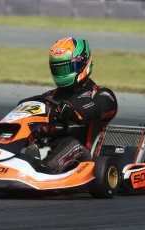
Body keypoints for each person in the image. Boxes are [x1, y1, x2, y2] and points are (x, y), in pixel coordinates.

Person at [39, 37, 118, 173]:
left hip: (83, 155)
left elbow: (97, 109)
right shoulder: (49, 97)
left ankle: (42, 172)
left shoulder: (100, 94)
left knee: (71, 144)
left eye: (67, 69)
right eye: (59, 70)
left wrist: (74, 111)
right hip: (47, 147)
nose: (62, 75)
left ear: (82, 64)